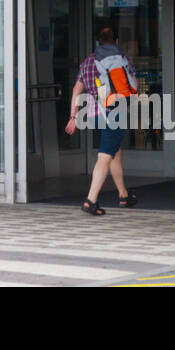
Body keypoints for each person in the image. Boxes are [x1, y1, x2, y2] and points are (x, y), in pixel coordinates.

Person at [64, 27, 138, 216]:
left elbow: (76, 90)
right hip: (115, 112)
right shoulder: (121, 59)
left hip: (95, 115)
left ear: (98, 42)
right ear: (117, 41)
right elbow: (133, 84)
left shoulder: (88, 61)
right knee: (105, 156)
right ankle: (91, 200)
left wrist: (73, 116)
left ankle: (123, 195)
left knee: (114, 152)